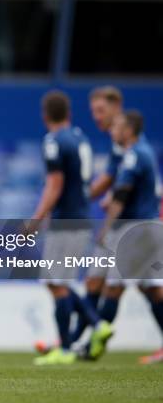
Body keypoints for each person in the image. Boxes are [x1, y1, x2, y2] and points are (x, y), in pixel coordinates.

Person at [30, 91, 112, 365]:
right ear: (68, 113)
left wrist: (37, 218)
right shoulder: (79, 137)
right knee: (57, 281)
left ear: (44, 116)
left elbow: (55, 184)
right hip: (81, 217)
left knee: (57, 283)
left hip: (66, 220)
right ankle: (95, 324)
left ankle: (67, 347)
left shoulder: (54, 141)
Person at [97, 111, 163, 364]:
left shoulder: (134, 155)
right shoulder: (140, 153)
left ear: (129, 130)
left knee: (114, 285)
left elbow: (122, 196)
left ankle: (92, 342)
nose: (113, 130)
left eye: (118, 127)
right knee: (151, 289)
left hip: (136, 229)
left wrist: (106, 229)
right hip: (147, 227)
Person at [68, 86, 124, 346]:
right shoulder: (117, 143)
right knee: (94, 281)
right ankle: (76, 344)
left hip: (129, 224)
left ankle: (80, 345)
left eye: (101, 110)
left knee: (127, 288)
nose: (96, 116)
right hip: (120, 222)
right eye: (93, 112)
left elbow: (118, 180)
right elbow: (114, 179)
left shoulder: (127, 142)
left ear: (116, 108)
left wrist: (81, 197)